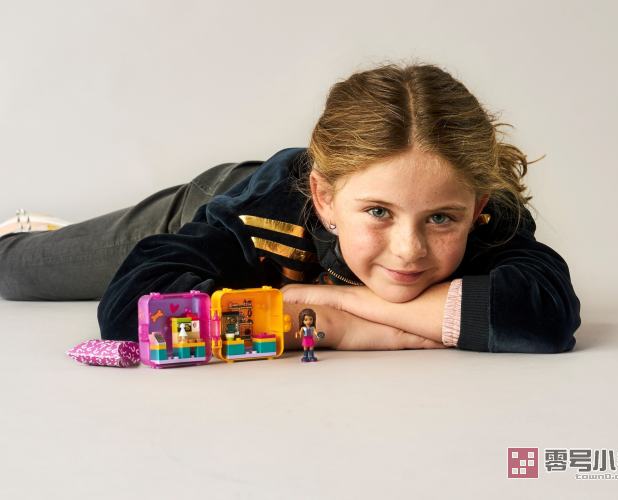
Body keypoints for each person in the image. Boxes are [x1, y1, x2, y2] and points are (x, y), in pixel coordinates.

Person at [0, 62, 581, 353]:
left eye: (440, 218)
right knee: (18, 272)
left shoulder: (487, 218)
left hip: (299, 230)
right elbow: (135, 313)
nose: (409, 250)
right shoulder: (261, 214)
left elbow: (547, 317)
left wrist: (339, 307)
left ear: (476, 207)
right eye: (378, 212)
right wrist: (306, 321)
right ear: (326, 199)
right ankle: (39, 232)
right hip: (216, 200)